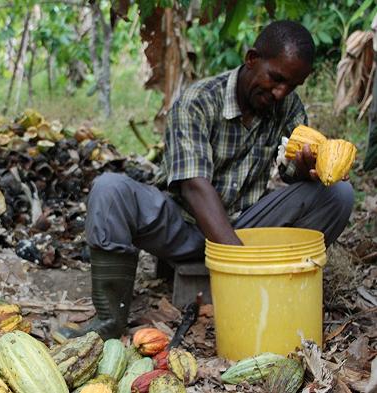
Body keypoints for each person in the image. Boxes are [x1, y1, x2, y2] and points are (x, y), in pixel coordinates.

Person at [59, 20, 354, 340]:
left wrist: (304, 166)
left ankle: (283, 277)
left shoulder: (286, 106)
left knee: (338, 193)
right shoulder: (197, 100)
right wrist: (241, 266)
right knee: (109, 189)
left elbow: (288, 171)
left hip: (245, 226)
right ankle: (109, 320)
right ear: (252, 58)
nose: (280, 92)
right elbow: (194, 187)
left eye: (291, 86)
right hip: (181, 226)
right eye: (276, 78)